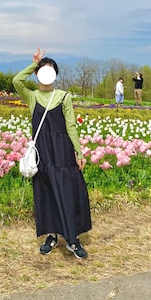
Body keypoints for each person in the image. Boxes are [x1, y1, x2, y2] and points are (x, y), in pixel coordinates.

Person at [13, 47, 92, 259]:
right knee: (46, 193)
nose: (46, 74)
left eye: (50, 70)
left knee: (67, 192)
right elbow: (16, 81)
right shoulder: (32, 96)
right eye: (43, 70)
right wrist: (34, 63)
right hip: (42, 152)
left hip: (63, 151)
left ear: (55, 74)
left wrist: (79, 152)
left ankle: (72, 240)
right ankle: (51, 236)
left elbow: (71, 126)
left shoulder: (64, 97)